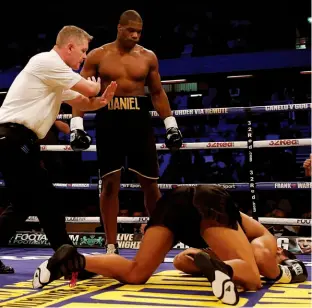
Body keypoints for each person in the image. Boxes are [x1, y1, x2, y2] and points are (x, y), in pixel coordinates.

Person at [32, 185, 307, 305]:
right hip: (208, 202)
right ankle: (225, 269)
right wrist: (278, 270)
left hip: (174, 203)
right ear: (282, 251)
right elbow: (263, 266)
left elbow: (181, 260)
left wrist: (208, 264)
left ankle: (74, 260)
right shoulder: (264, 239)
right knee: (251, 278)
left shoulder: (228, 242)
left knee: (136, 273)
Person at [0, 25, 117, 273]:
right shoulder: (47, 62)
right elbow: (88, 89)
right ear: (70, 47)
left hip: (18, 141)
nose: (85, 57)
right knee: (46, 200)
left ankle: (67, 259)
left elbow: (82, 101)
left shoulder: (54, 76)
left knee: (23, 204)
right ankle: (69, 260)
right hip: (12, 138)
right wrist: (95, 88)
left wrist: (102, 101)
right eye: (83, 51)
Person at [70, 10, 183, 255]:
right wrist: (76, 126)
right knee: (109, 184)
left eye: (139, 31)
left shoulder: (148, 57)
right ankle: (111, 245)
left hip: (139, 122)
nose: (135, 35)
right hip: (109, 122)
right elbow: (81, 91)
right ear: (119, 28)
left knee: (151, 185)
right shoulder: (98, 55)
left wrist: (171, 125)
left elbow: (156, 93)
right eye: (130, 30)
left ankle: (159, 239)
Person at [173, 211, 306, 283]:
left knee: (180, 261)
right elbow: (261, 258)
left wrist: (215, 265)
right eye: (279, 262)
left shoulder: (232, 250)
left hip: (188, 216)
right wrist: (282, 274)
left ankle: (223, 269)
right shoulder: (266, 238)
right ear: (279, 250)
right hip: (212, 209)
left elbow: (183, 259)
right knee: (253, 281)